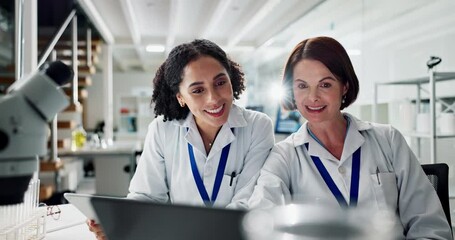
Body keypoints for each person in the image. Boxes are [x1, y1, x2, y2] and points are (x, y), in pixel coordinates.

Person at [248, 36, 452, 239]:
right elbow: (260, 220)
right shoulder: (283, 156)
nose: (313, 97)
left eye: (325, 85)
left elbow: (429, 226)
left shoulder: (388, 140)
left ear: (344, 86)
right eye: (302, 86)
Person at [88, 39, 274, 239]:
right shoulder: (162, 129)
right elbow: (147, 196)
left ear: (231, 79)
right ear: (181, 97)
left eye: (220, 82)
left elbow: (250, 200)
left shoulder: (257, 126)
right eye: (197, 90)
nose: (213, 98)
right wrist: (120, 223)